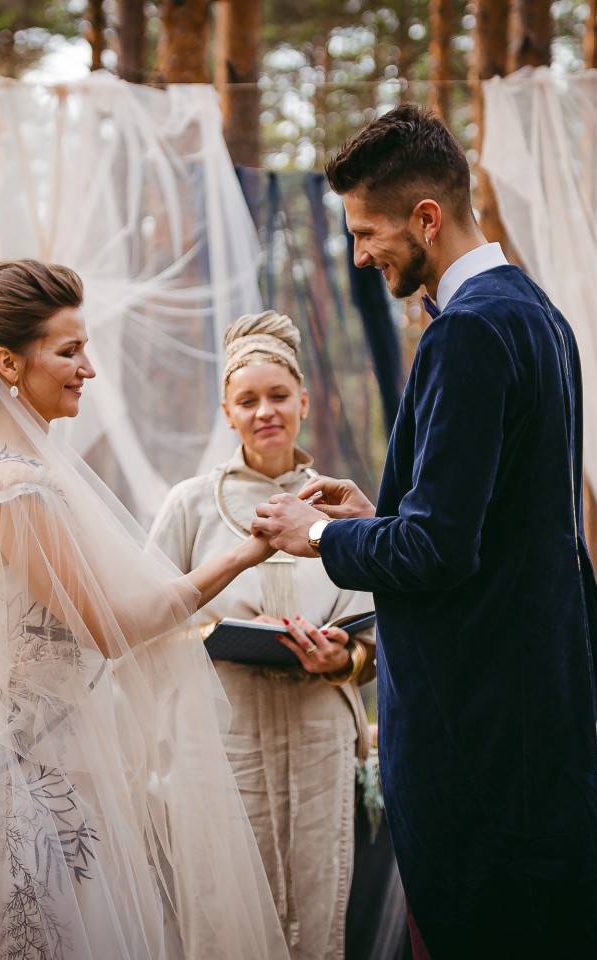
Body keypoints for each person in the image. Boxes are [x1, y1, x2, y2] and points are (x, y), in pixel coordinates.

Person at [251, 104, 597, 958]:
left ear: (427, 219)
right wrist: (379, 517)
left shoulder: (467, 333)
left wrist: (316, 536)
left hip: (479, 726)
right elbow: (497, 521)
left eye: (367, 233)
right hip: (535, 700)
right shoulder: (537, 314)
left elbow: (439, 550)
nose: (360, 256)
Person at [0, 260, 287, 959]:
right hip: (17, 768)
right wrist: (244, 553)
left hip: (32, 748)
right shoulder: (15, 488)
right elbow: (112, 625)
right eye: (69, 350)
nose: (89, 368)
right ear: (8, 364)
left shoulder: (13, 473)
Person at [149, 311, 377, 959]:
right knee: (224, 905)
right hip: (223, 736)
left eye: (278, 396)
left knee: (318, 905)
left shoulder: (341, 503)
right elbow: (143, 621)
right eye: (247, 401)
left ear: (304, 401)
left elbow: (375, 638)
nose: (265, 412)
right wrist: (210, 635)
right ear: (227, 412)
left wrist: (342, 656)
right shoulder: (191, 504)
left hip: (317, 732)